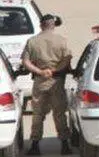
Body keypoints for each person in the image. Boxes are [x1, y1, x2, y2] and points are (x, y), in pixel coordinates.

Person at [21, 14, 72, 155]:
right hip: (57, 81)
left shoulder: (32, 41)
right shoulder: (62, 41)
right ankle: (65, 145)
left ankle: (35, 146)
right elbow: (67, 60)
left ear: (41, 25)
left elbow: (25, 61)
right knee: (59, 113)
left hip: (39, 81)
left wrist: (40, 71)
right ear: (53, 25)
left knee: (37, 114)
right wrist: (54, 70)